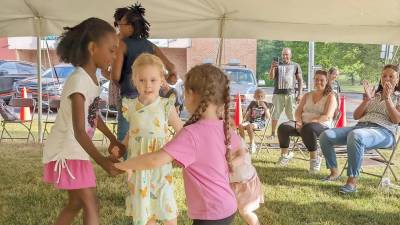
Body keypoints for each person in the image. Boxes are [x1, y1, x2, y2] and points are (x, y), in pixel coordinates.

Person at [114, 64, 245, 225]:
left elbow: (154, 160)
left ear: (190, 94)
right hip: (228, 207)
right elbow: (242, 153)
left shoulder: (191, 134)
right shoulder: (224, 127)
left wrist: (124, 165)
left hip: (209, 214)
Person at [42, 18, 125, 225]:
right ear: (93, 48)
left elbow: (93, 114)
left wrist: (112, 138)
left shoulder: (92, 79)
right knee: (91, 205)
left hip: (76, 151)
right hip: (69, 152)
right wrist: (102, 161)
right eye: (112, 50)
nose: (114, 56)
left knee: (76, 204)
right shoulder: (78, 80)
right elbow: (79, 130)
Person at [111, 53, 182, 225]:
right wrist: (121, 146)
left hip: (159, 162)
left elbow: (181, 131)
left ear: (161, 81)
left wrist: (177, 153)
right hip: (138, 165)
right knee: (144, 207)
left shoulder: (166, 105)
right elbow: (132, 132)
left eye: (153, 80)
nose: (147, 85)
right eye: (142, 80)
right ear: (134, 81)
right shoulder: (130, 105)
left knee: (166, 204)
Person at [319, 64, 400, 194]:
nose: (387, 79)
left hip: (384, 132)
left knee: (356, 135)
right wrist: (367, 99)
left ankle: (352, 182)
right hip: (361, 127)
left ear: (397, 80)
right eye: (384, 76)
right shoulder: (375, 95)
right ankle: (334, 173)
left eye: (391, 76)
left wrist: (388, 98)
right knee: (326, 135)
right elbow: (357, 116)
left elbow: (396, 120)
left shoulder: (398, 97)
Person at [108, 3, 178, 151]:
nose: (119, 27)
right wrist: (169, 77)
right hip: (153, 98)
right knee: (151, 131)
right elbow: (172, 68)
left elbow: (115, 76)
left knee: (126, 134)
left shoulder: (122, 44)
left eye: (122, 24)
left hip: (130, 96)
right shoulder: (151, 45)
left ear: (131, 26)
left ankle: (126, 166)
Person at [276, 70, 337, 173]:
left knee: (308, 129)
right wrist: (299, 122)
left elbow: (327, 116)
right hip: (303, 124)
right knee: (283, 127)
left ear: (327, 81)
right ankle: (284, 156)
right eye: (316, 79)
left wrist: (312, 122)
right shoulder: (307, 95)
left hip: (321, 126)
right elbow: (298, 112)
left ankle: (314, 160)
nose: (318, 82)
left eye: (321, 80)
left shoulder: (331, 96)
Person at [268, 48, 303, 138]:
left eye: (286, 54)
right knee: (275, 114)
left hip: (290, 94)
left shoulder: (295, 65)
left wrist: (299, 94)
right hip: (277, 94)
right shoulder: (277, 64)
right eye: (283, 54)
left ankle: (294, 133)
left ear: (290, 55)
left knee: (292, 115)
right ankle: (273, 133)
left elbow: (300, 80)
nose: (284, 56)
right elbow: (271, 77)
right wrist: (272, 67)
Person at [230, 139, 264, 225]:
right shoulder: (216, 140)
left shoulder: (236, 140)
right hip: (232, 183)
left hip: (247, 183)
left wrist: (221, 166)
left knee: (245, 211)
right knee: (227, 210)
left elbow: (241, 156)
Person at [238, 89, 271, 153]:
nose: (260, 98)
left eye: (261, 96)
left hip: (260, 122)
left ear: (264, 97)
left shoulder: (266, 104)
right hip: (251, 121)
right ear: (254, 97)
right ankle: (243, 144)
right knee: (240, 125)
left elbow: (268, 117)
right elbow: (248, 114)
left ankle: (252, 144)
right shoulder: (252, 103)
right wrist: (244, 119)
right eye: (258, 96)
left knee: (249, 126)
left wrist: (264, 107)